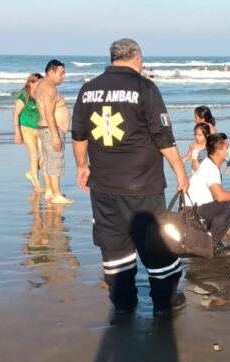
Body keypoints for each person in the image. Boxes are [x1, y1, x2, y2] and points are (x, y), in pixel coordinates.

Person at [71, 38, 190, 315]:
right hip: (143, 185)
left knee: (114, 248)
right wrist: (180, 171)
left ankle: (124, 304)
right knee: (156, 247)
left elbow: (78, 135)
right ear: (136, 58)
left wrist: (82, 166)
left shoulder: (88, 90)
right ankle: (164, 303)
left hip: (103, 187)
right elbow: (163, 136)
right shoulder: (145, 87)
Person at [185, 133, 230, 252]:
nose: (229, 150)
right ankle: (210, 244)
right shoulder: (210, 168)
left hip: (196, 210)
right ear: (219, 151)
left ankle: (211, 238)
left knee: (226, 206)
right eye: (227, 147)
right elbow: (220, 196)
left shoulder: (211, 165)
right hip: (192, 214)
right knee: (229, 208)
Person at [34, 59, 74, 204]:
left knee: (48, 161)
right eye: (61, 73)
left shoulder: (41, 85)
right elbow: (49, 113)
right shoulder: (49, 88)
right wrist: (56, 136)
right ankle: (57, 194)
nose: (63, 77)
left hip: (45, 129)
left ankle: (50, 191)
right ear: (51, 71)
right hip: (51, 130)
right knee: (56, 161)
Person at [12, 73, 44, 192]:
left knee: (45, 156)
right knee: (34, 156)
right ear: (31, 82)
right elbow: (15, 114)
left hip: (40, 129)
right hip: (26, 129)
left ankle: (31, 172)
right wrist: (17, 133)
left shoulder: (41, 95)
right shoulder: (23, 96)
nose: (40, 85)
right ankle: (37, 185)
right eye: (38, 83)